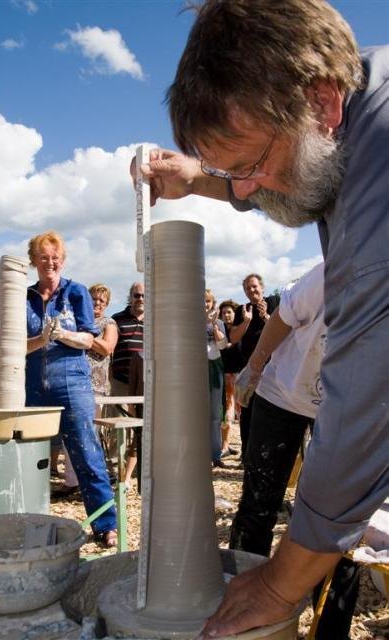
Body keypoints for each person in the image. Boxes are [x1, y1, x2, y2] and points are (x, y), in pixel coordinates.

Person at [131, 1, 388, 634]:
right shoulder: (354, 96)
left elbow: (365, 402)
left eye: (246, 164)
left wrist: (281, 581)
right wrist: (202, 179)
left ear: (323, 103)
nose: (244, 188)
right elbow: (296, 177)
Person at [233, 262, 360, 638]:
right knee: (260, 503)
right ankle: (242, 601)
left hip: (345, 408)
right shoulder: (334, 271)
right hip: (283, 395)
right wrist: (253, 368)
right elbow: (282, 318)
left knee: (340, 516)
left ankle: (330, 629)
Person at [25, 230, 118, 548]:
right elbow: (16, 345)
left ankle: (106, 524)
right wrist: (41, 339)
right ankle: (29, 524)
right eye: (43, 257)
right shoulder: (24, 298)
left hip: (72, 383)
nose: (49, 262)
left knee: (86, 453)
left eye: (55, 258)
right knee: (31, 457)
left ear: (62, 261)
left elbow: (90, 339)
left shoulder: (76, 291)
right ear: (33, 261)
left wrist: (61, 333)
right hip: (33, 385)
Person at [55, 283, 118, 497]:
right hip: (72, 383)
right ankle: (71, 481)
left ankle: (91, 485)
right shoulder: (77, 322)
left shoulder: (108, 324)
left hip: (95, 387)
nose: (97, 303)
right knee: (69, 436)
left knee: (89, 437)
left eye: (101, 300)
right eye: (93, 299)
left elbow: (107, 348)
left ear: (107, 304)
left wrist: (84, 339)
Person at [230, 274, 279, 458]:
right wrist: (247, 321)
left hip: (273, 369)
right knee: (248, 415)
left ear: (262, 287)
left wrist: (266, 316)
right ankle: (247, 453)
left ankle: (267, 454)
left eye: (254, 286)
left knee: (270, 412)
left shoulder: (274, 302)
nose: (252, 290)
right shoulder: (242, 310)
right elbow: (233, 338)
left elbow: (284, 330)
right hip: (250, 370)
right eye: (248, 288)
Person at [110, 282, 145, 485]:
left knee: (141, 426)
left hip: (144, 382)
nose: (140, 299)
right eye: (137, 295)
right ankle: (116, 467)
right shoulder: (117, 320)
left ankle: (131, 470)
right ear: (130, 297)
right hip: (120, 380)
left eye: (143, 296)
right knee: (119, 424)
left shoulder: (155, 320)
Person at [205, 289, 227, 467]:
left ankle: (215, 454)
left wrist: (214, 325)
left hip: (215, 367)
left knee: (215, 414)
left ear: (213, 303)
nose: (205, 304)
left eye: (208, 301)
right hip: (197, 368)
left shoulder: (218, 322)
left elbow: (222, 344)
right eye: (202, 301)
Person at [218, 299, 242, 457]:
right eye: (224, 313)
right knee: (227, 412)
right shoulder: (219, 330)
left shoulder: (242, 329)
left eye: (229, 312)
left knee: (242, 413)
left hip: (241, 375)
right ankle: (225, 445)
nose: (226, 315)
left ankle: (244, 448)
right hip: (225, 375)